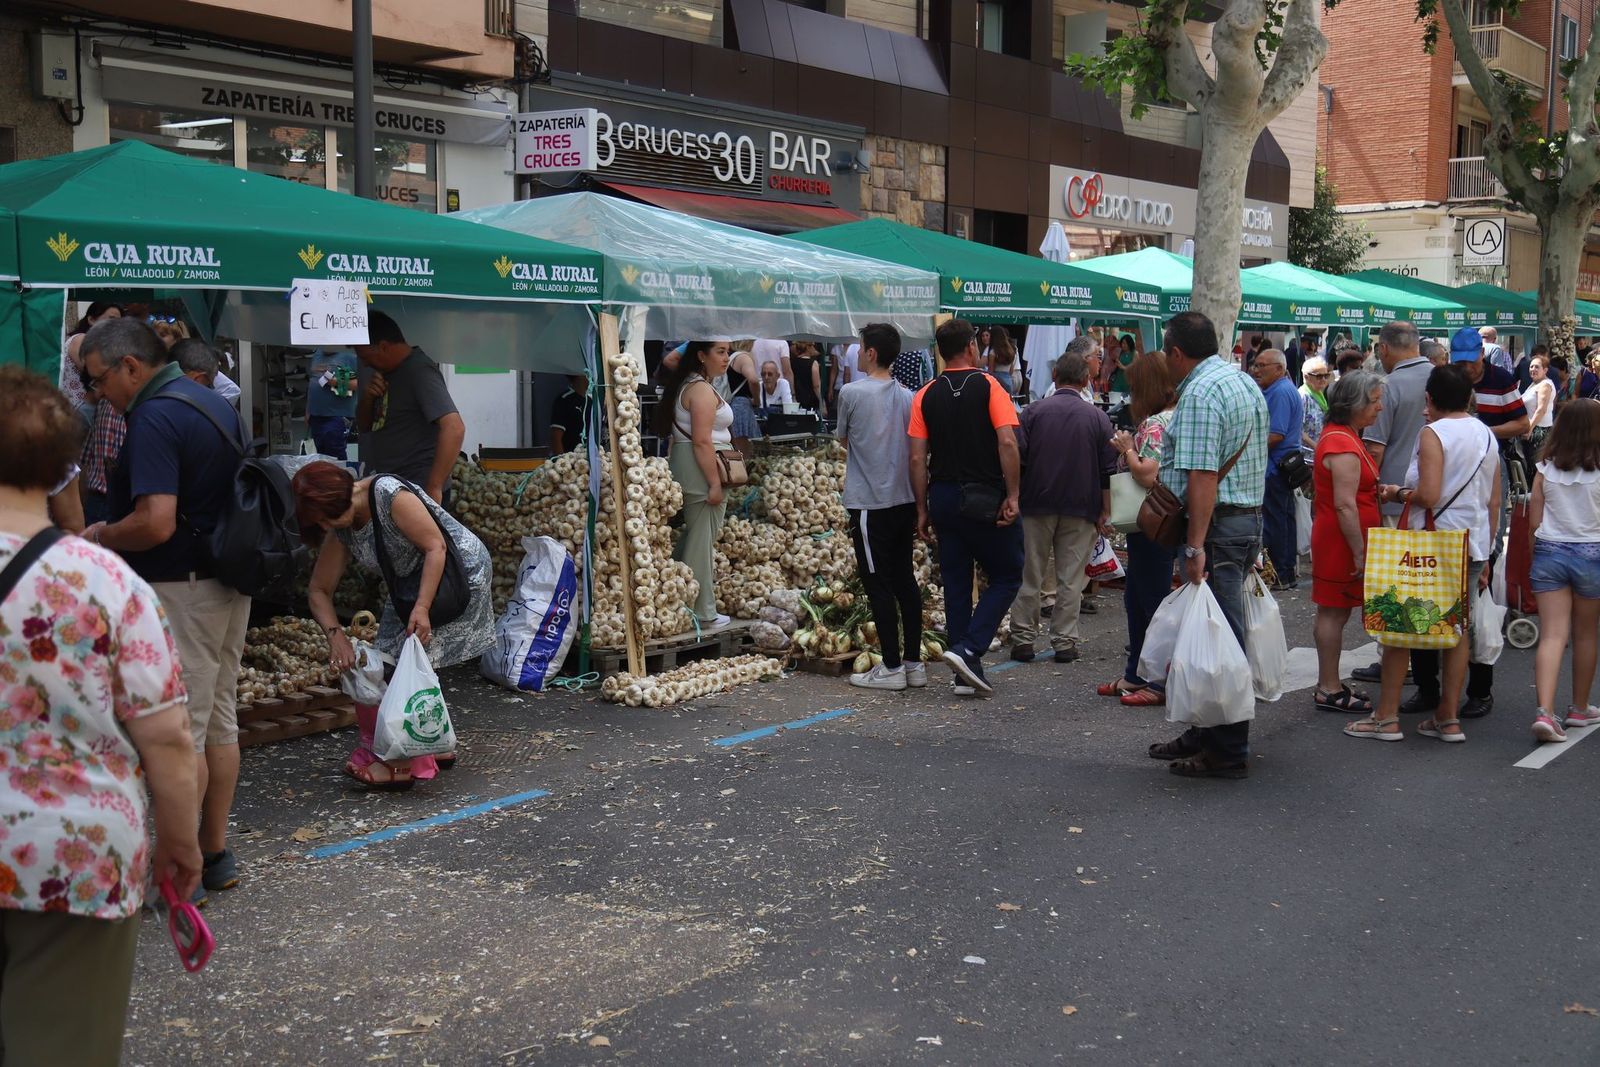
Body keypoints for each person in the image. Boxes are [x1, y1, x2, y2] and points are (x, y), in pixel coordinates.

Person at [0, 367, 200, 1066]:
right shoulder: (107, 582)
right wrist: (182, 843)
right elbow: (167, 737)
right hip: (75, 856)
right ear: (63, 469)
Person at [78, 319, 249, 902]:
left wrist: (99, 535)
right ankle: (214, 853)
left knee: (185, 731)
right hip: (227, 581)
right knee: (219, 721)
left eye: (98, 379)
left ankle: (183, 874)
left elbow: (155, 522)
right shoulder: (211, 400)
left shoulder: (153, 416)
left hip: (183, 587)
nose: (98, 393)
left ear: (130, 366)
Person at [294, 461, 493, 786]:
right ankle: (435, 745)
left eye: (329, 517)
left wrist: (423, 607)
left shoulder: (388, 494)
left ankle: (397, 765)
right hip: (408, 585)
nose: (328, 525)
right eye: (321, 522)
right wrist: (336, 637)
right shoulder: (341, 528)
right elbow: (318, 590)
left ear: (341, 496)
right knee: (386, 662)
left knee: (404, 664)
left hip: (456, 575)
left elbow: (435, 547)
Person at [1346, 365, 1499, 742]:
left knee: (1401, 627)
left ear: (1429, 398)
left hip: (1431, 544)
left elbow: (1429, 495)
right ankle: (1448, 717)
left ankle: (1386, 717)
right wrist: (1488, 549)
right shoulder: (1485, 434)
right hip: (1472, 543)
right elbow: (1494, 499)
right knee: (1456, 629)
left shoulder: (1433, 433)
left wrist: (1397, 493)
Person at [1146, 311, 1269, 780]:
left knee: (1220, 640)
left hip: (1218, 528)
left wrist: (1195, 547)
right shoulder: (1241, 381)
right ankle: (1205, 731)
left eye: (1165, 352)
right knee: (1211, 632)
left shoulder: (1200, 393)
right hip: (1243, 521)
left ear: (1177, 353)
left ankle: (1226, 748)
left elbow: (1202, 476)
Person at [1409, 326, 1528, 721]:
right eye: (1458, 362)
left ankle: (1471, 695)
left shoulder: (1497, 385)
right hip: (1467, 534)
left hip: (1450, 534)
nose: (1465, 368)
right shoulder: (1454, 422)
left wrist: (1398, 493)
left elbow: (1522, 424)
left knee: (1449, 614)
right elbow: (1491, 501)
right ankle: (1437, 699)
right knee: (1446, 615)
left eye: (1469, 361)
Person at [909, 318, 1023, 696]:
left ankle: (965, 675)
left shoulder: (925, 394)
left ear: (941, 354)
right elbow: (1007, 442)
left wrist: (921, 508)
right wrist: (1013, 494)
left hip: (942, 495)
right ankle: (969, 648)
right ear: (972, 347)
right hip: (984, 495)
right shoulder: (990, 386)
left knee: (957, 583)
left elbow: (916, 458)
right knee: (1008, 573)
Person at [1010, 350, 1116, 664]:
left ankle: (1023, 639)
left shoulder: (1032, 412)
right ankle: (1064, 641)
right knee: (1071, 578)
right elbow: (1108, 470)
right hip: (1081, 506)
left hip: (1036, 503)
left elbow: (1018, 458)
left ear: (1054, 376)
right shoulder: (1097, 418)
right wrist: (1105, 510)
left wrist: (1013, 496)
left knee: (1030, 572)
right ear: (1086, 380)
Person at [838, 324, 924, 691]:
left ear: (871, 353)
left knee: (877, 583)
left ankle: (891, 666)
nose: (858, 354)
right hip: (904, 499)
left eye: (860, 348)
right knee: (905, 579)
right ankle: (913, 663)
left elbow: (844, 439)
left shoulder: (851, 393)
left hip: (869, 503)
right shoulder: (908, 396)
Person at [1351, 322, 1434, 688]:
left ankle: (1396, 660)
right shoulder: (1441, 377)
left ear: (1383, 349)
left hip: (1394, 498)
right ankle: (1425, 658)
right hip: (1436, 499)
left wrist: (1367, 490)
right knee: (1427, 584)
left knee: (1395, 586)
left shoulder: (1388, 386)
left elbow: (1375, 449)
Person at [1310, 371, 1390, 714]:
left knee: (1335, 611)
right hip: (1341, 541)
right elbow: (1344, 505)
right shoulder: (1342, 442)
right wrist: (1359, 552)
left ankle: (1329, 683)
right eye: (1374, 402)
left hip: (1341, 536)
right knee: (1333, 611)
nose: (1379, 408)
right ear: (1354, 404)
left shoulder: (1345, 436)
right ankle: (1328, 687)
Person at [1105, 352, 1179, 706]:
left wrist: (1127, 449)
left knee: (1147, 599)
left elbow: (1147, 474)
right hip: (1165, 518)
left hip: (1151, 518)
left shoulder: (1154, 424)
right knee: (1139, 595)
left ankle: (1156, 678)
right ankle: (1136, 673)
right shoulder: (1176, 416)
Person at [1526, 399, 1600, 742]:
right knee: (1586, 634)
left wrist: (1534, 556)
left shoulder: (1545, 469)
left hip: (1550, 551)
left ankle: (1544, 712)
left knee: (1552, 635)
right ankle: (1579, 708)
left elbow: (1534, 521)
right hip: (1592, 553)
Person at [656, 341, 734, 629]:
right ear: (701, 355)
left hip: (691, 464)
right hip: (702, 468)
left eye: (728, 352)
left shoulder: (691, 385)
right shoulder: (699, 389)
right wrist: (714, 483)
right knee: (702, 540)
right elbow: (702, 441)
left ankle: (671, 591)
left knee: (695, 537)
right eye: (720, 351)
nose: (727, 358)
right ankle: (703, 610)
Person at [355, 311, 465, 504]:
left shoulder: (419, 371)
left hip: (417, 488)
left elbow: (455, 428)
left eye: (365, 356)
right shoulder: (383, 372)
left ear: (383, 346)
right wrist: (367, 398)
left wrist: (434, 486)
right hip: (393, 486)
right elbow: (364, 427)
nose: (364, 363)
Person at [1251, 349, 1304, 591]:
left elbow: (1276, 434)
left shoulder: (1280, 391)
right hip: (1282, 466)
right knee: (1283, 519)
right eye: (1256, 365)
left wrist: (1247, 449)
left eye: (1262, 365)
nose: (1256, 370)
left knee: (1275, 523)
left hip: (1276, 467)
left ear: (1279, 369)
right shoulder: (1281, 388)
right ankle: (1285, 574)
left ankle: (1279, 575)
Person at [61, 301, 121, 421]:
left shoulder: (100, 345)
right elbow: (94, 373)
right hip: (79, 409)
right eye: (111, 320)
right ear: (91, 320)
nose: (116, 326)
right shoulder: (81, 340)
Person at [307, 347, 359, 459]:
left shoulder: (349, 355)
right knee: (321, 453)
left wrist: (335, 382)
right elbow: (313, 381)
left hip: (338, 415)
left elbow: (360, 383)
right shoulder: (317, 353)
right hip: (316, 414)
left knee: (335, 451)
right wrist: (308, 411)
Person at [725, 343, 761, 454]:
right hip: (741, 406)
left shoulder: (731, 358)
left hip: (730, 404)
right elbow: (753, 380)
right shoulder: (744, 357)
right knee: (745, 451)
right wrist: (757, 400)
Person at [548, 374, 593, 455]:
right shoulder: (564, 400)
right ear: (580, 375)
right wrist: (562, 459)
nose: (591, 376)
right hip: (570, 457)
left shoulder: (590, 401)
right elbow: (556, 436)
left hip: (588, 457)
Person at [1522, 352, 1556, 457]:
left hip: (1538, 431)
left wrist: (1529, 428)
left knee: (1535, 464)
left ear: (1545, 370)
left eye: (1537, 367)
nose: (1533, 369)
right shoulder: (1535, 383)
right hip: (1531, 429)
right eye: (1531, 366)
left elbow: (1541, 409)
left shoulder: (1545, 385)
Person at [1299, 356, 1330, 453]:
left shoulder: (1319, 394)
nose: (1323, 379)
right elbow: (1298, 430)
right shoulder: (1303, 396)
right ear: (1306, 377)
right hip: (1308, 454)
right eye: (1319, 376)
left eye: (1326, 375)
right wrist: (1317, 447)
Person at [789, 341, 825, 414]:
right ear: (808, 347)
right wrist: (822, 403)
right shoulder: (813, 363)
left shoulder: (792, 362)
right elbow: (816, 386)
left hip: (797, 398)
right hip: (810, 400)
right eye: (812, 346)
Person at [985, 326, 1019, 398]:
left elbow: (991, 371)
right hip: (1008, 380)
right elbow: (1011, 370)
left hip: (998, 381)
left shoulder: (993, 352)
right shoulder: (1010, 351)